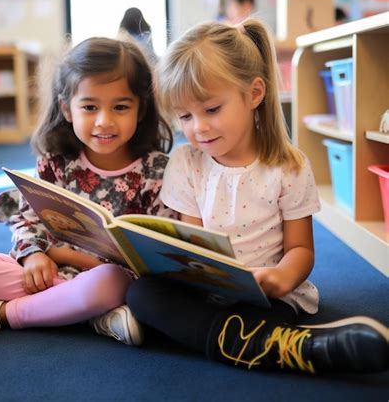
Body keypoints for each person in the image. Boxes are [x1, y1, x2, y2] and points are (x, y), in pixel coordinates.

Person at [126, 19, 389, 374]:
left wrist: (280, 277)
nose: (198, 128)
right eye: (185, 115)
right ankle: (268, 346)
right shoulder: (186, 162)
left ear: (254, 94)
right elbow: (194, 244)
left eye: (212, 110)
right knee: (141, 294)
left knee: (248, 314)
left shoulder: (288, 166)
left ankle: (229, 339)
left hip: (267, 296)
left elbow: (301, 250)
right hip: (207, 291)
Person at [0, 36, 175, 346]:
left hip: (111, 279)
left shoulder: (157, 169)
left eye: (120, 107)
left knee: (109, 284)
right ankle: (92, 314)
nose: (104, 121)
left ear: (140, 110)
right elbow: (27, 217)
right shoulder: (55, 162)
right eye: (89, 106)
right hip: (51, 272)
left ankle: (6, 314)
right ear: (67, 109)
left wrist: (67, 258)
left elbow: (159, 247)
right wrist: (33, 255)